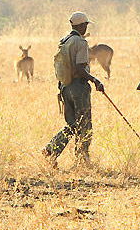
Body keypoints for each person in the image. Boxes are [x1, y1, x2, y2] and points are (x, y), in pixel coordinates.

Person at [43, 11, 105, 167]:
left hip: (65, 87)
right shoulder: (80, 42)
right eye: (85, 25)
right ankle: (82, 159)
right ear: (81, 25)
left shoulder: (64, 40)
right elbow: (79, 69)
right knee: (85, 124)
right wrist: (95, 80)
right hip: (78, 88)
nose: (86, 28)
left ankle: (51, 150)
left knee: (72, 125)